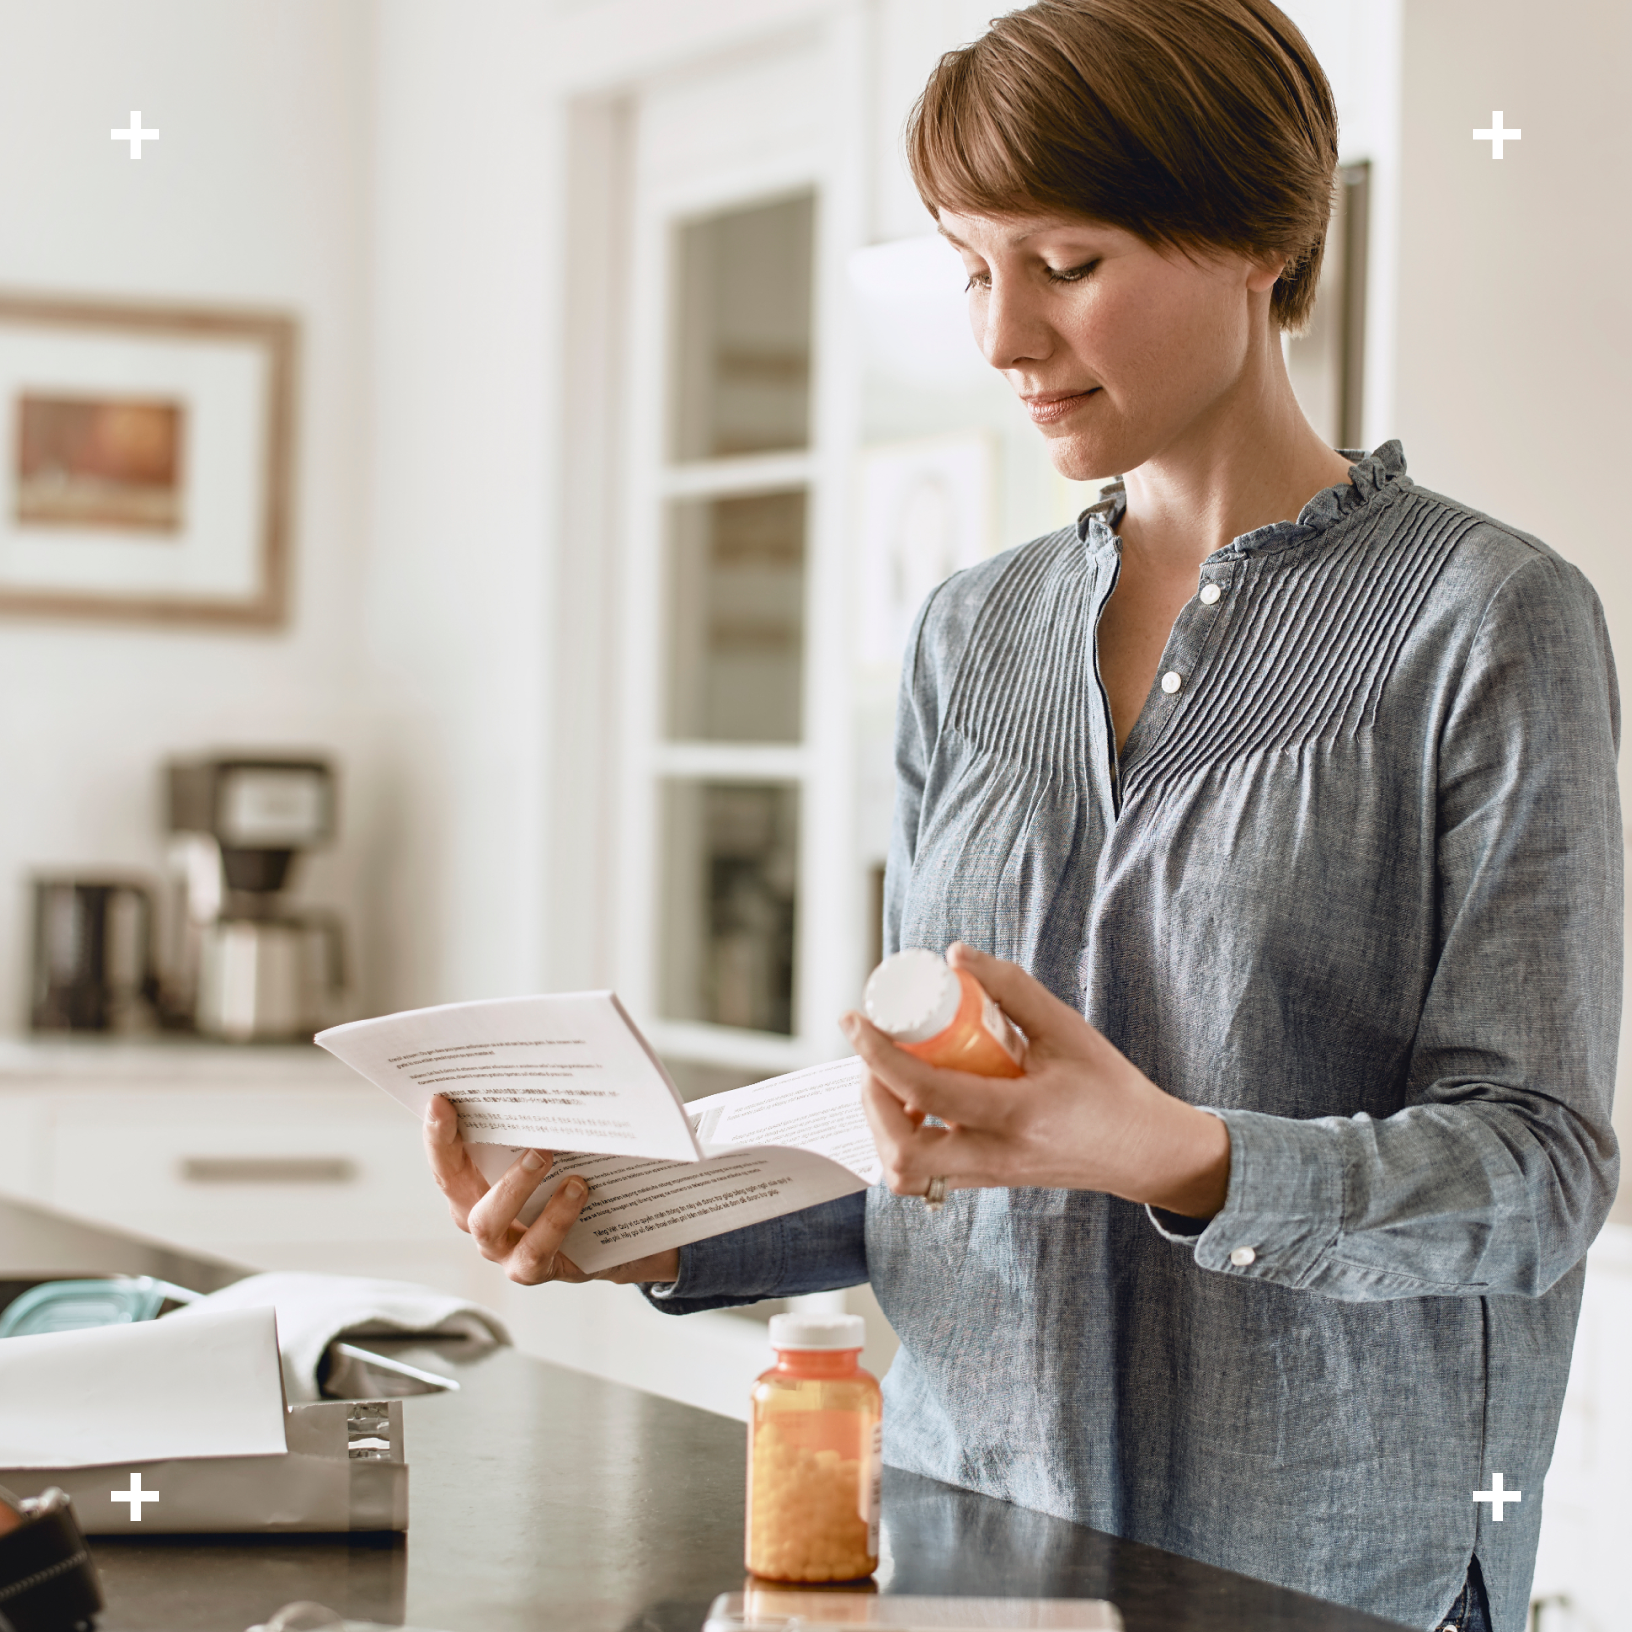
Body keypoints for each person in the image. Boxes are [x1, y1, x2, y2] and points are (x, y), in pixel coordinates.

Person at [421, 4, 1621, 1630]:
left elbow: (1538, 1179)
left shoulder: (1488, 621)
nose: (1001, 337)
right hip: (967, 1553)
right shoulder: (965, 636)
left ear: (1263, 235)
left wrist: (1182, 1157)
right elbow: (930, 1147)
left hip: (1334, 1571)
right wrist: (645, 1224)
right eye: (971, 268)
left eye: (1064, 264)